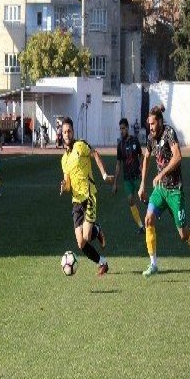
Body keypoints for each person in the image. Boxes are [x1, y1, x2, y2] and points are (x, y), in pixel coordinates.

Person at [138, 105, 190, 277]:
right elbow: (146, 159)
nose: (151, 127)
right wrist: (142, 185)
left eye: (153, 124)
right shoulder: (150, 138)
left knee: (183, 235)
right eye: (149, 124)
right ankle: (153, 264)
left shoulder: (169, 133)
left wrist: (160, 173)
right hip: (160, 190)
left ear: (160, 121)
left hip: (175, 190)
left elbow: (177, 156)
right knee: (148, 219)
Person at [59, 116, 114, 276]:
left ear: (73, 132)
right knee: (81, 243)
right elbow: (68, 184)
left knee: (87, 235)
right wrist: (64, 187)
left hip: (89, 197)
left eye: (69, 131)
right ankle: (102, 262)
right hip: (76, 201)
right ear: (61, 134)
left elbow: (95, 154)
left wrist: (104, 175)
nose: (67, 134)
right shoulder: (64, 159)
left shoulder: (80, 146)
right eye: (64, 132)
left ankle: (96, 229)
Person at [112, 117, 145, 234]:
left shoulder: (135, 141)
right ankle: (141, 226)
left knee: (143, 198)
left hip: (137, 176)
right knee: (130, 200)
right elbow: (118, 164)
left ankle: (155, 212)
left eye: (123, 128)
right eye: (120, 129)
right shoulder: (120, 145)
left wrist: (141, 166)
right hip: (127, 179)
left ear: (127, 128)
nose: (121, 131)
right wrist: (115, 183)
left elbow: (141, 155)